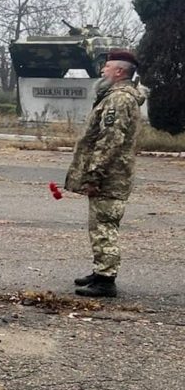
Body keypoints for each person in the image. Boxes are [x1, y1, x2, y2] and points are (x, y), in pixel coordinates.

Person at [64, 49, 146, 298]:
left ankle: (106, 280)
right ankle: (100, 272)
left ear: (119, 72)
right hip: (111, 176)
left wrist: (94, 175)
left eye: (107, 66)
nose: (102, 70)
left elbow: (110, 140)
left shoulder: (119, 99)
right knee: (99, 225)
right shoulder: (114, 96)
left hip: (110, 178)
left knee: (104, 227)